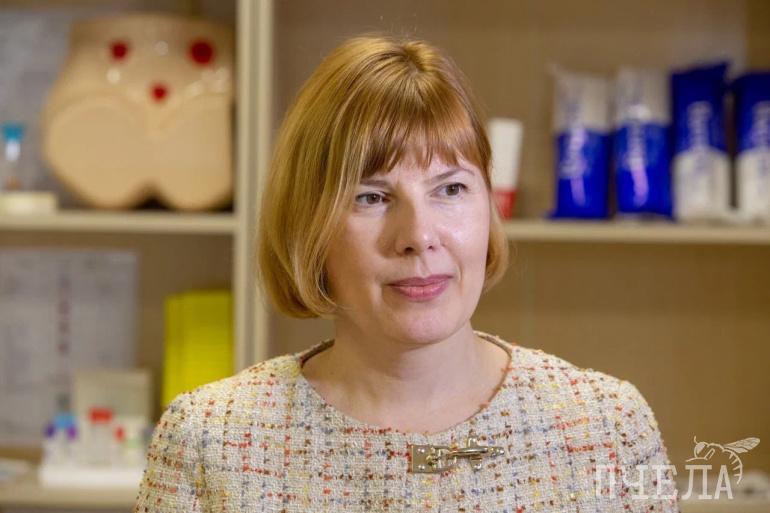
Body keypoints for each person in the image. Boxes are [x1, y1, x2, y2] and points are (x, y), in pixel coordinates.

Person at [134, 34, 679, 512]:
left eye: (451, 189)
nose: (419, 234)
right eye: (371, 197)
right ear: (308, 223)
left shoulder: (606, 427)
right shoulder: (211, 442)